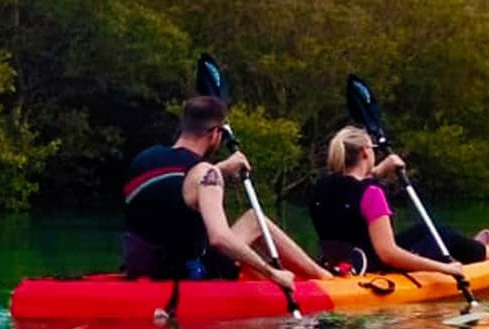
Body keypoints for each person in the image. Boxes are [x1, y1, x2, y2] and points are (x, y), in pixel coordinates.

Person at [122, 96, 332, 289]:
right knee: (255, 221)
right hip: (185, 276)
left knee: (248, 227)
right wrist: (273, 274)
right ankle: (325, 278)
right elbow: (219, 238)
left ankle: (316, 275)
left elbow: (176, 186)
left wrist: (221, 168)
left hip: (140, 269)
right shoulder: (206, 173)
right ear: (216, 134)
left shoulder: (144, 159)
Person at [309, 126, 489, 277]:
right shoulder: (371, 193)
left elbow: (349, 190)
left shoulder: (320, 187)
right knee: (443, 234)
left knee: (427, 229)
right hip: (374, 269)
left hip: (341, 263)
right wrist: (444, 270)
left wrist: (379, 171)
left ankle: (478, 249)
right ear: (365, 152)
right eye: (373, 149)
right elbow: (389, 254)